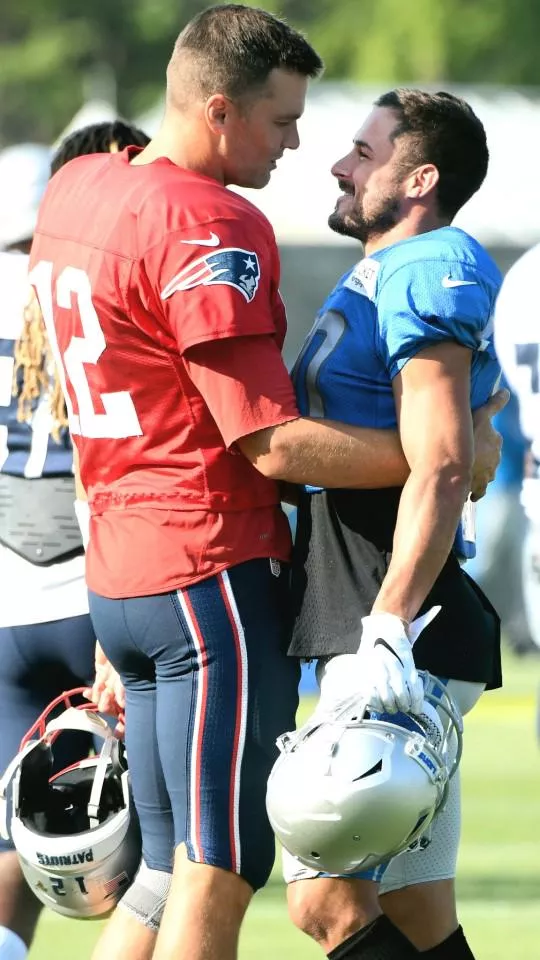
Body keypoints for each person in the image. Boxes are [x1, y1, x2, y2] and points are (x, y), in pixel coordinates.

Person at [27, 7, 505, 960]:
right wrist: (448, 458)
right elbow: (272, 446)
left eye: (351, 147)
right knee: (228, 871)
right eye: (284, 121)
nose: (310, 150)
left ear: (419, 179)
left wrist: (442, 473)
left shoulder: (80, 187)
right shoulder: (207, 220)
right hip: (211, 569)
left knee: (243, 880)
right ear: (218, 108)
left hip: (158, 566)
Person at [284, 89, 504, 960]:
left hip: (396, 621)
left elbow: (449, 460)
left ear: (420, 177)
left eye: (363, 152)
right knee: (416, 911)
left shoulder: (428, 263)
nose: (342, 165)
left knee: (326, 899)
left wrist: (386, 625)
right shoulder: (388, 267)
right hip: (383, 612)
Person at [0, 119, 149, 960]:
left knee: (6, 869)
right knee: (163, 867)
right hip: (115, 599)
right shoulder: (123, 278)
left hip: (6, 605)